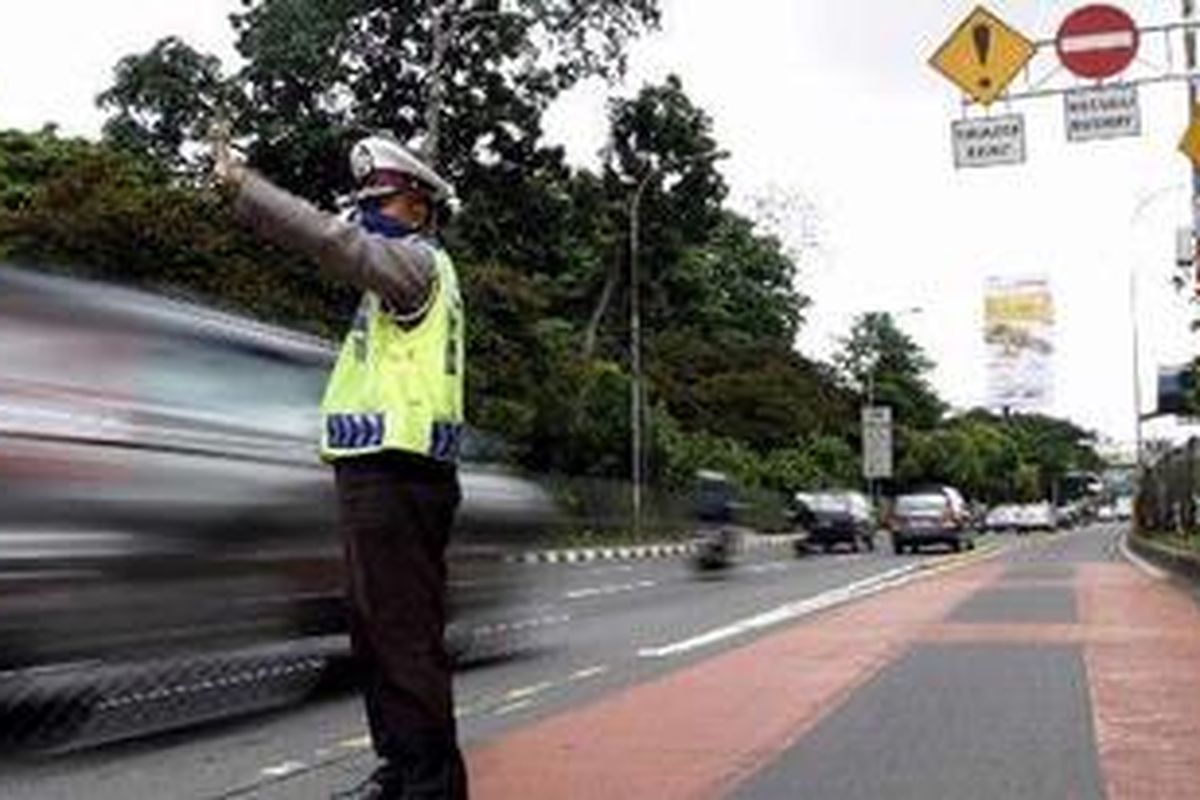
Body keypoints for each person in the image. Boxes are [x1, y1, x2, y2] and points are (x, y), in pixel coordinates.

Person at [214, 133, 468, 800]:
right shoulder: (394, 282)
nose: (366, 212)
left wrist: (249, 188)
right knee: (378, 634)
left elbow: (333, 242)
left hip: (401, 474)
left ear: (418, 206)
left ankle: (429, 785)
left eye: (380, 200)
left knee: (403, 639)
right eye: (362, 201)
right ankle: (401, 770)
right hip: (376, 475)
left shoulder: (414, 266)